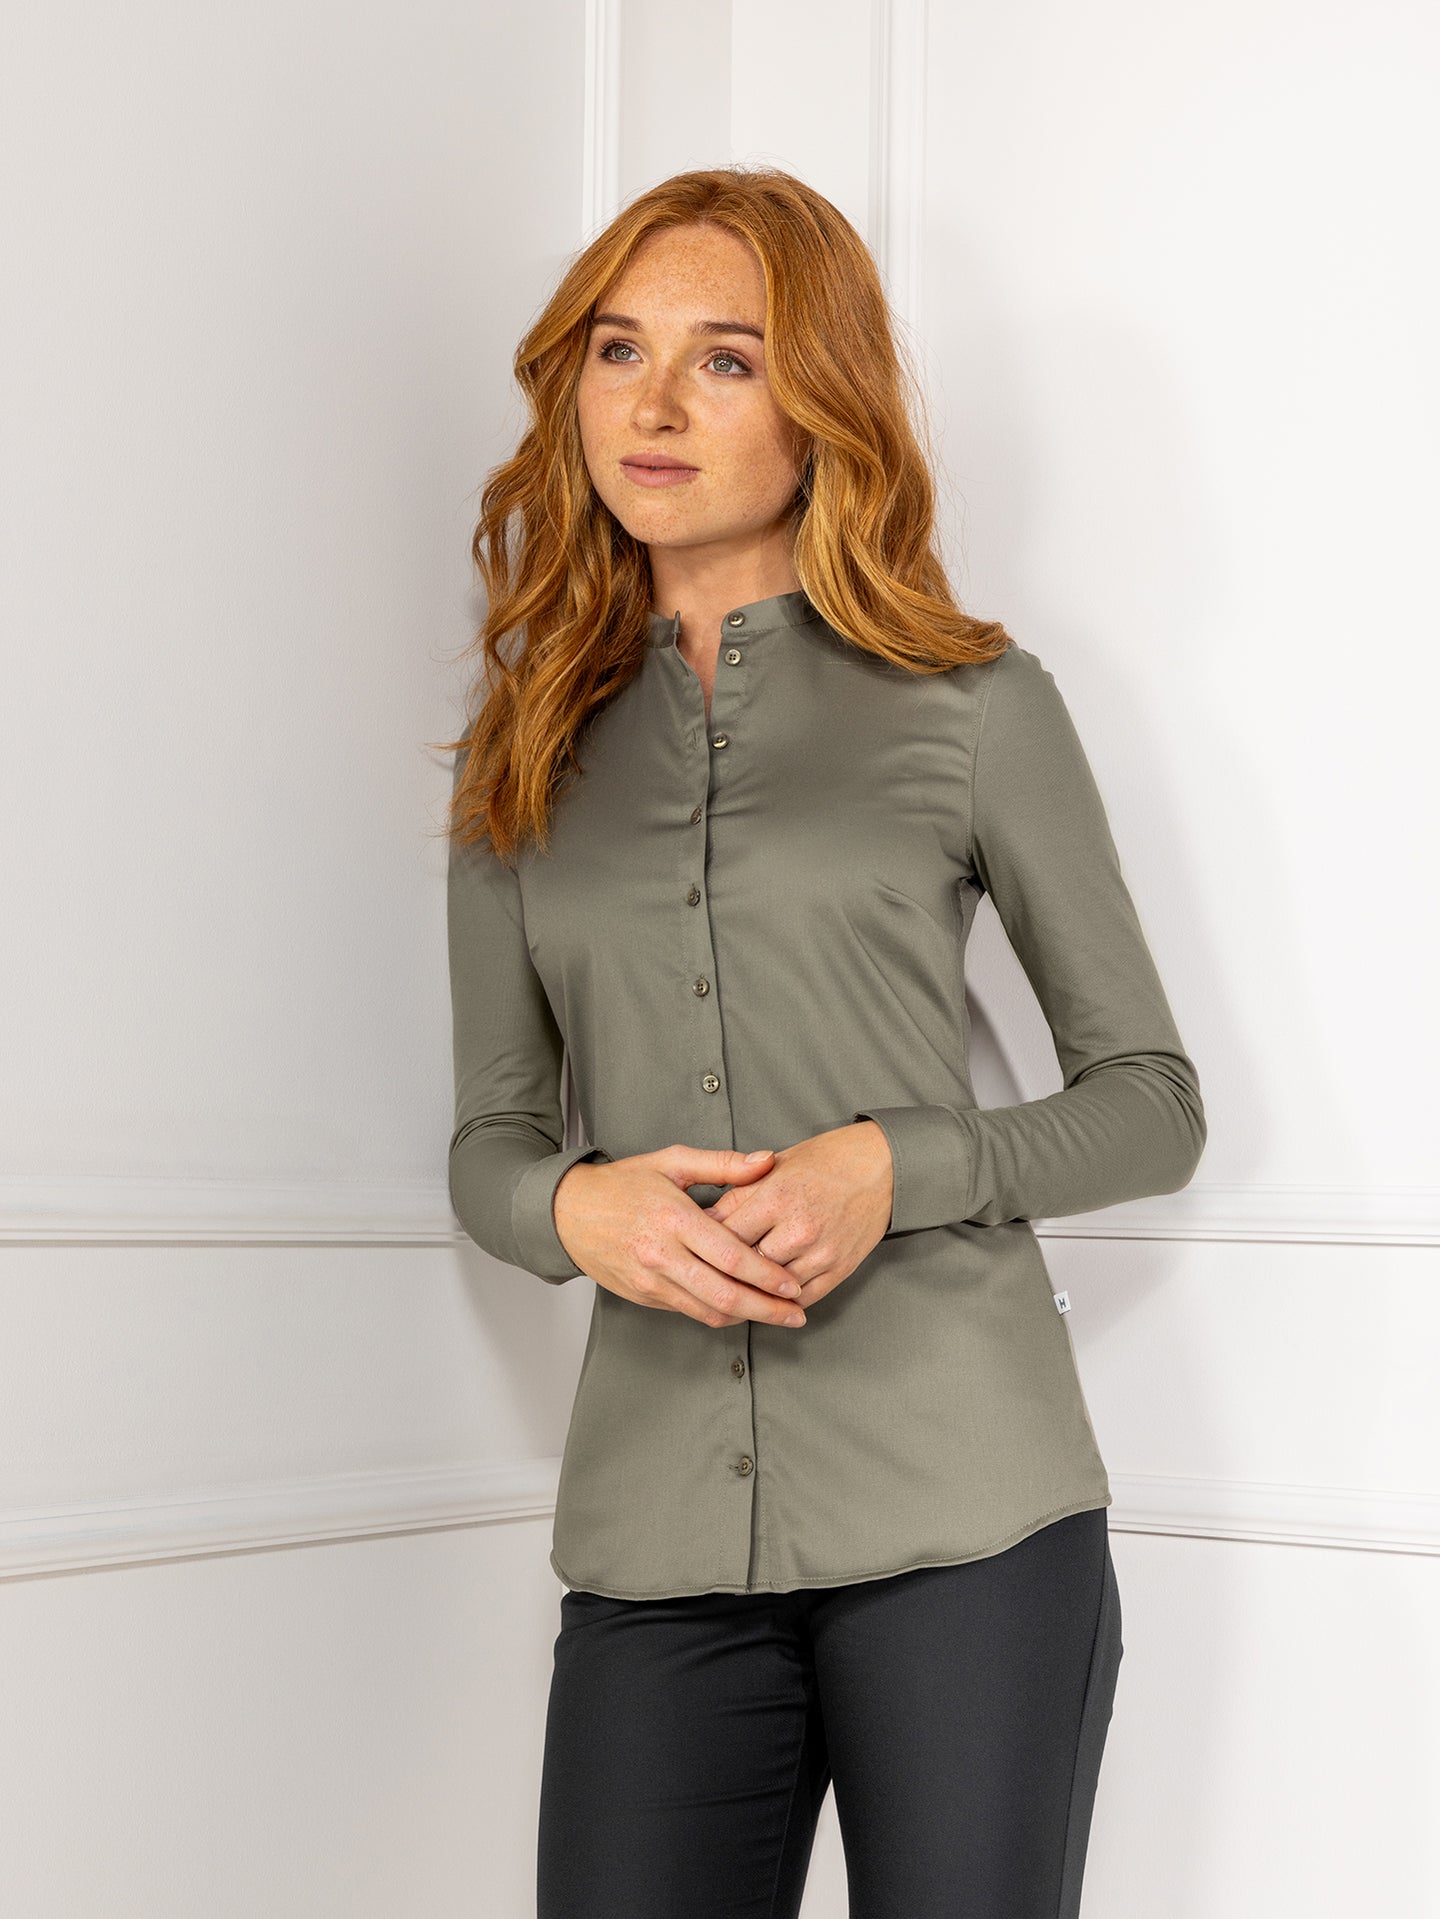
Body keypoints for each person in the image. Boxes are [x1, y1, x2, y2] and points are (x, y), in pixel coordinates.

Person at [442, 165, 1205, 1919]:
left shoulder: (976, 703)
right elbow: (489, 1138)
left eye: (725, 358)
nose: (653, 403)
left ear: (821, 402)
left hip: (970, 1524)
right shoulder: (526, 746)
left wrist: (893, 1165)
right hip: (653, 1541)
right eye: (619, 349)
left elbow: (1153, 1105)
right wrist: (573, 1208)